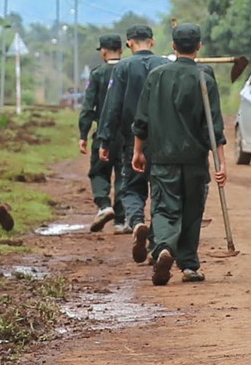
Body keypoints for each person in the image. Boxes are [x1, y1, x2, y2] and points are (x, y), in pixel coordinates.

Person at [130, 23, 227, 286]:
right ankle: (189, 265)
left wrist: (138, 151)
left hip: (162, 157)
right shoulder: (204, 79)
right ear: (199, 47)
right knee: (192, 210)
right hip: (195, 159)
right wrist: (221, 163)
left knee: (164, 208)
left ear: (173, 46)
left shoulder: (157, 77)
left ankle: (163, 248)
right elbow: (214, 126)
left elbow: (142, 119)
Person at [96, 23, 162, 263]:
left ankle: (135, 222)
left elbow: (112, 106)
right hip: (162, 142)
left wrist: (104, 138)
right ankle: (157, 242)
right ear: (152, 42)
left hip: (131, 141)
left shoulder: (122, 68)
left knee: (132, 187)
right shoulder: (164, 65)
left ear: (129, 44)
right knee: (160, 191)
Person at [78, 34, 124, 232]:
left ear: (103, 52)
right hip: (128, 135)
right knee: (124, 175)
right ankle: (122, 221)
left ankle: (104, 205)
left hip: (104, 133)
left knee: (98, 172)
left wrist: (83, 134)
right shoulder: (129, 70)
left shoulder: (97, 74)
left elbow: (88, 107)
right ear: (122, 51)